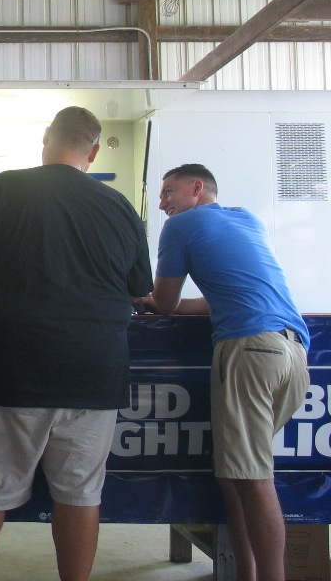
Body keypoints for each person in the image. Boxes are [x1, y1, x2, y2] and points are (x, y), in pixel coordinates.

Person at [0, 106, 153, 581]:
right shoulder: (120, 207)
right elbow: (138, 292)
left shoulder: (3, 188)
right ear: (93, 152)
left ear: (46, 138)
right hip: (94, 376)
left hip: (10, 371)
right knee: (80, 493)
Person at [144, 163, 310, 581]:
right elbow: (218, 299)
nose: (162, 204)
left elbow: (165, 303)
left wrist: (143, 299)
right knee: (236, 476)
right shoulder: (246, 219)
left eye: (168, 193)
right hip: (293, 353)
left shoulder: (181, 227)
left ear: (197, 188)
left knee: (252, 479)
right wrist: (158, 301)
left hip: (248, 350)